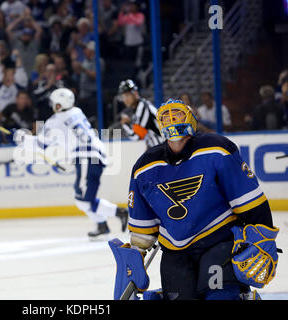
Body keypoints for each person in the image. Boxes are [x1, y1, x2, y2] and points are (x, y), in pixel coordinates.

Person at [111, 99, 279, 300]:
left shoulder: (217, 149)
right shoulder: (144, 167)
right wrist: (135, 257)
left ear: (191, 119)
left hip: (219, 240)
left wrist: (263, 237)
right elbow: (143, 226)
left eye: (178, 114)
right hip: (175, 251)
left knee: (220, 298)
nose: (172, 120)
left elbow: (251, 201)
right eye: (166, 116)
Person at [14, 87, 128, 239]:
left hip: (87, 157)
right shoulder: (77, 111)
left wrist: (21, 138)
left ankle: (119, 212)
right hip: (94, 155)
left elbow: (41, 145)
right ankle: (102, 225)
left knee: (83, 199)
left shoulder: (55, 121)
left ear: (59, 105)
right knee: (80, 198)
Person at [118, 79, 163, 148]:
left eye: (127, 95)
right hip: (160, 147)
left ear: (135, 93)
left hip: (163, 148)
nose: (125, 100)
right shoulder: (140, 107)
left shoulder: (142, 107)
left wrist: (125, 124)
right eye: (123, 97)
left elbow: (137, 137)